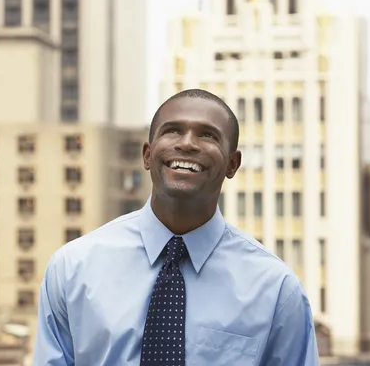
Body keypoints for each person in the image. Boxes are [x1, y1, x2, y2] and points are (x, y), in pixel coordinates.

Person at [33, 89, 320, 365]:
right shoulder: (73, 268)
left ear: (233, 164)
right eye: (172, 130)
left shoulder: (276, 290)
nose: (187, 143)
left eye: (207, 135)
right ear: (147, 154)